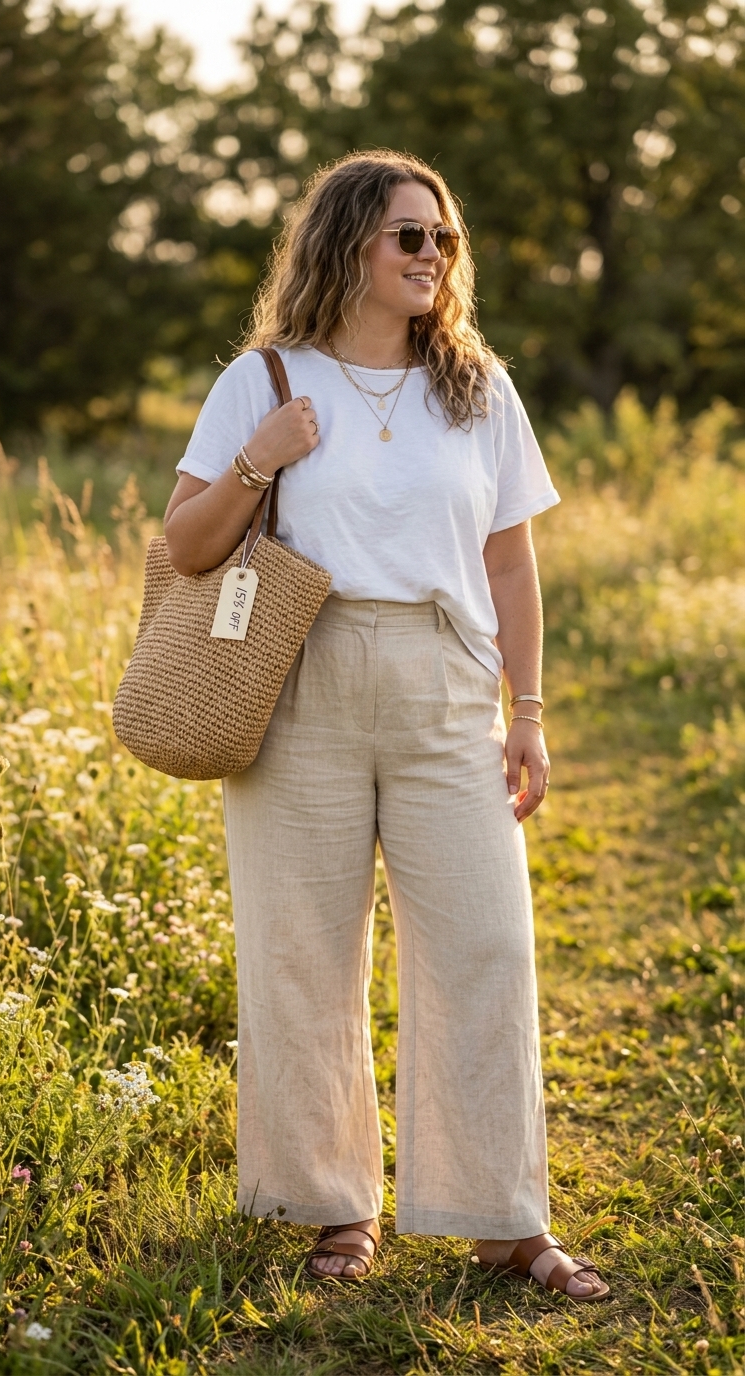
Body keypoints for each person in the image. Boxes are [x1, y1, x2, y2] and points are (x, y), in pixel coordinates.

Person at [163, 150, 609, 1301]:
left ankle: (504, 1217)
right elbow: (187, 545)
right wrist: (264, 458)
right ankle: (336, 1206)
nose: (432, 256)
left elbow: (511, 558)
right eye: (410, 235)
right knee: (300, 949)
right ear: (349, 240)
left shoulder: (477, 384)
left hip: (445, 676)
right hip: (295, 674)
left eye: (444, 239)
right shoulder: (262, 380)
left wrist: (529, 708)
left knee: (487, 945)